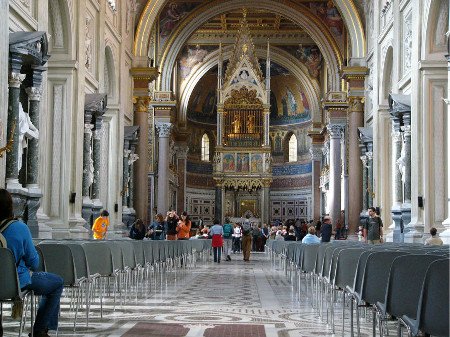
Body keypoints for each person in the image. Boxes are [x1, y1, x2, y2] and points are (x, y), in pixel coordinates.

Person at [0, 189, 63, 337]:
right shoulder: (19, 227)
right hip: (17, 282)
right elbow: (34, 263)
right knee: (57, 283)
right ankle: (40, 330)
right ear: (10, 206)